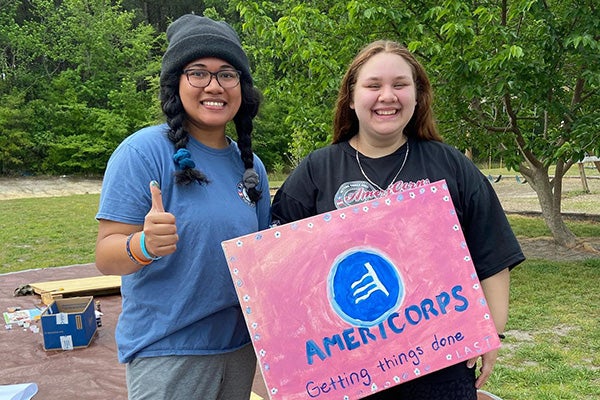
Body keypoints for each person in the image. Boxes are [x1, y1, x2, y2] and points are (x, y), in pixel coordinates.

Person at [271, 40, 524, 400]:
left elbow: (492, 251)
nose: (386, 96)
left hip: (440, 363)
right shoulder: (317, 170)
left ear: (417, 96)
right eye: (373, 85)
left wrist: (490, 333)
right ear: (351, 96)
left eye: (400, 85)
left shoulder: (450, 165)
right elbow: (276, 270)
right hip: (344, 369)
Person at [95, 14, 270, 400]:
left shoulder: (250, 166)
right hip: (169, 351)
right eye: (198, 73)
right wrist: (142, 245)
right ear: (177, 83)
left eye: (227, 73)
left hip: (238, 349)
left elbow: (260, 258)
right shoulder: (143, 153)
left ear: (242, 86)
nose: (215, 85)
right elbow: (106, 256)